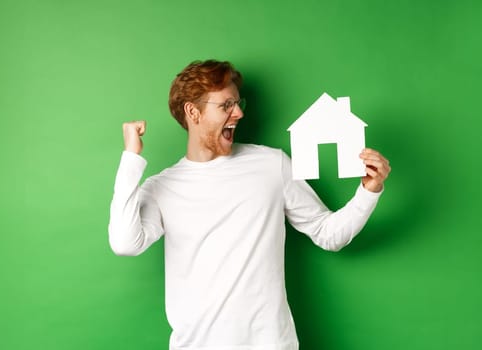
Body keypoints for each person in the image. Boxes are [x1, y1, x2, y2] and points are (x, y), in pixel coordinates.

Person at [108, 59, 391, 350]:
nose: (239, 113)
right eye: (226, 105)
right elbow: (126, 243)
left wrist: (369, 191)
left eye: (238, 102)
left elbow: (328, 234)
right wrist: (131, 157)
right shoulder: (163, 188)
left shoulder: (272, 165)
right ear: (193, 112)